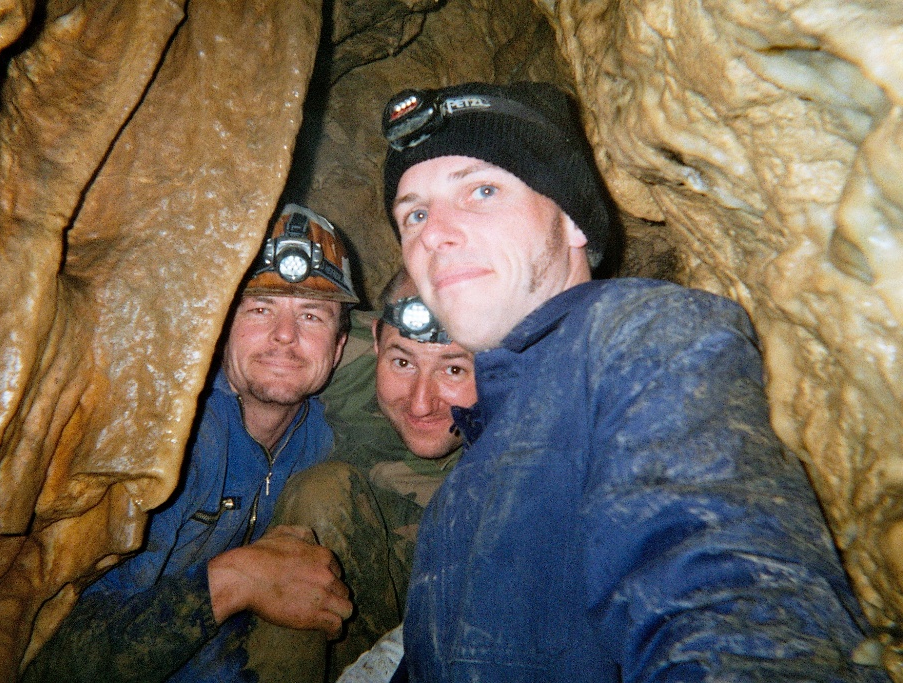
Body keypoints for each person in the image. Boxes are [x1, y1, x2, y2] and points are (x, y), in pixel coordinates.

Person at [380, 82, 890, 681]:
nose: (433, 233)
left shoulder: (648, 338)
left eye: (482, 191)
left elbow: (734, 609)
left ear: (572, 220)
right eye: (414, 213)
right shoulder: (469, 473)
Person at [22, 204, 359, 682]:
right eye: (260, 309)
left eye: (311, 315)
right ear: (220, 327)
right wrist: (236, 580)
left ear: (339, 347)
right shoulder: (168, 441)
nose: (285, 336)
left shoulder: (322, 437)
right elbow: (60, 660)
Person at [241, 267, 477, 683]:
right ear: (376, 341)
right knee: (322, 492)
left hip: (464, 621)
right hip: (354, 597)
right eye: (402, 362)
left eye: (454, 369)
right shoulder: (343, 362)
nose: (421, 404)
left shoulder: (542, 432)